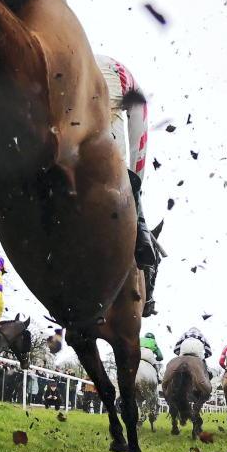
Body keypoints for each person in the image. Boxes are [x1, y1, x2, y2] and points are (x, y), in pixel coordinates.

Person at [95, 54, 163, 317]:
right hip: (106, 76)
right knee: (119, 166)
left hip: (64, 76)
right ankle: (143, 243)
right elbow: (139, 146)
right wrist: (134, 184)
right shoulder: (134, 91)